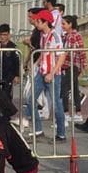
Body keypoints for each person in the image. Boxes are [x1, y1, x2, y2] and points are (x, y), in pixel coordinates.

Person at [25, 9, 65, 140]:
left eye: (38, 21)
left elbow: (61, 56)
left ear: (45, 22)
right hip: (41, 73)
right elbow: (43, 52)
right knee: (30, 99)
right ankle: (38, 131)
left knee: (56, 104)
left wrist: (52, 73)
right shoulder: (42, 35)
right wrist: (35, 63)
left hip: (53, 75)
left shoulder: (55, 36)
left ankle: (61, 134)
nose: (35, 23)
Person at [61, 14, 86, 123]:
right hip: (67, 65)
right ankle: (78, 112)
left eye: (64, 24)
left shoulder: (75, 35)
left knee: (64, 88)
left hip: (73, 65)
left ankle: (66, 113)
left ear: (70, 24)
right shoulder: (66, 36)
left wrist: (83, 65)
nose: (62, 26)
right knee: (74, 88)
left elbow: (81, 50)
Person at [0, 24, 20, 108]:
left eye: (4, 35)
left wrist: (17, 75)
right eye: (0, 34)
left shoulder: (13, 47)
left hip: (9, 74)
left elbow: (17, 62)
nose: (2, 37)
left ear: (9, 35)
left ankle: (8, 111)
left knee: (7, 94)